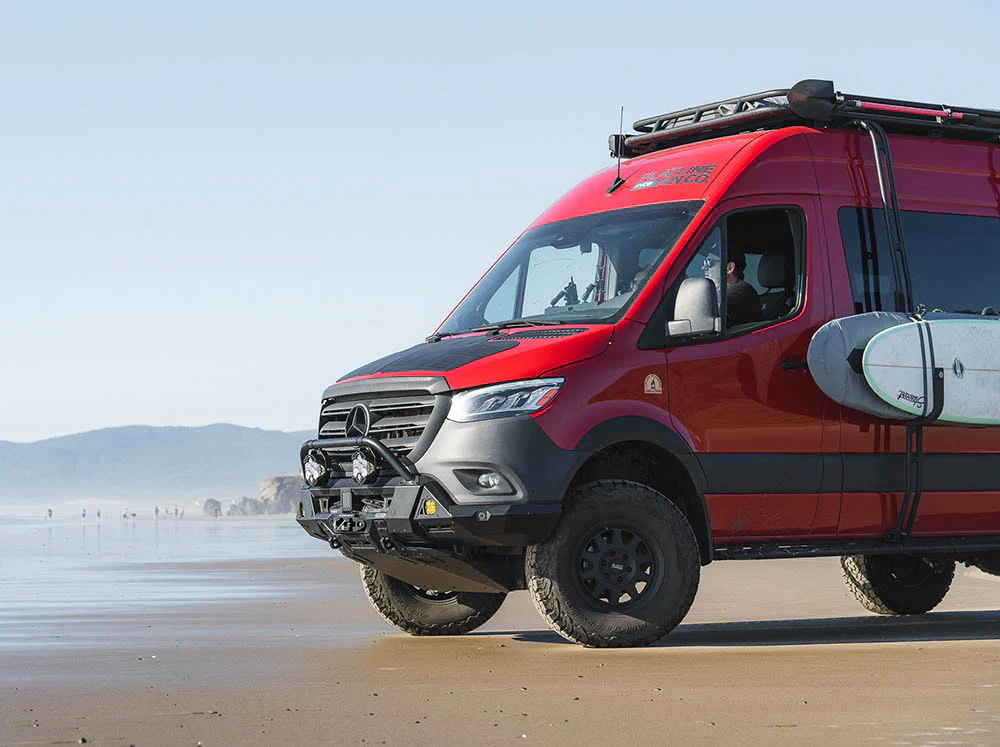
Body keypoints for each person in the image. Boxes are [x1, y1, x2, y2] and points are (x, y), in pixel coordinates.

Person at [723, 249, 762, 325]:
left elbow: (709, 310)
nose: (704, 267)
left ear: (729, 268)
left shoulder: (739, 290)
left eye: (709, 262)